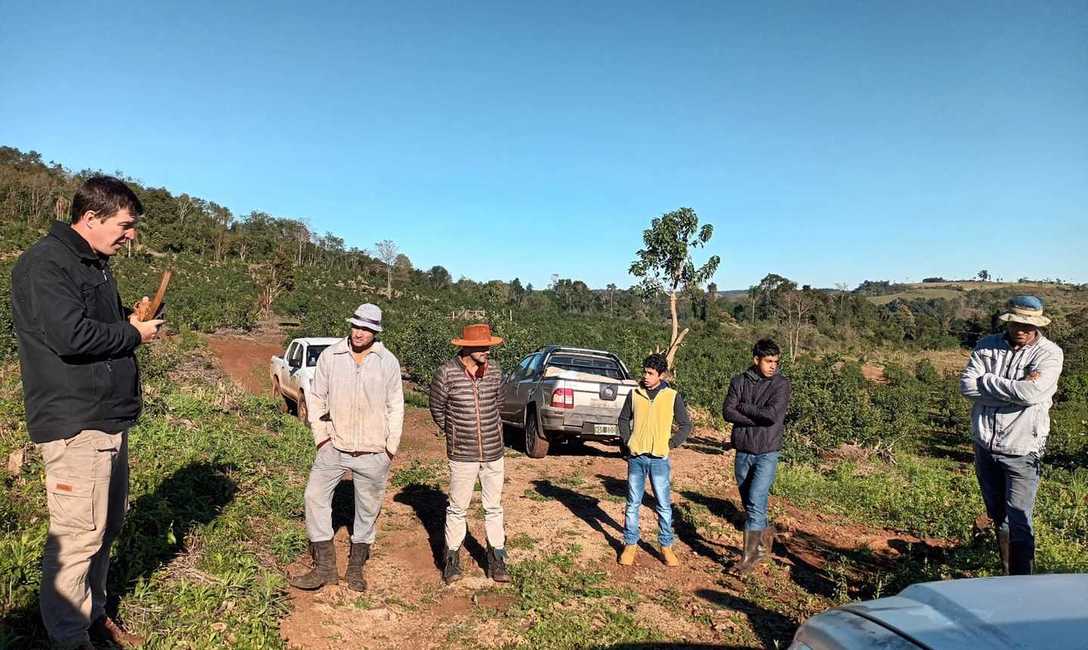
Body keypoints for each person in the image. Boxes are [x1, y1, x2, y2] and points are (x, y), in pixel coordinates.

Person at [11, 176, 163, 649]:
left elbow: (95, 327)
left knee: (106, 527)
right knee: (78, 538)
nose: (131, 234)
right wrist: (134, 336)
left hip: (106, 419)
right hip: (76, 422)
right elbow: (70, 337)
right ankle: (69, 638)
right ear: (91, 217)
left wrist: (128, 320)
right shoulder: (46, 265)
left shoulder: (93, 263)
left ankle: (92, 616)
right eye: (125, 224)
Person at [289, 304, 404, 592]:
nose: (359, 333)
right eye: (356, 326)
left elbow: (396, 407)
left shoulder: (387, 361)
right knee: (314, 496)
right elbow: (316, 399)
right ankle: (325, 568)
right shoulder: (331, 356)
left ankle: (355, 568)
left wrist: (390, 448)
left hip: (374, 450)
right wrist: (322, 438)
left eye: (366, 329)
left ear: (375, 332)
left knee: (367, 510)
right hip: (334, 446)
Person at [960, 295, 1063, 575]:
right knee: (997, 515)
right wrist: (1014, 392)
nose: (1021, 328)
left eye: (1028, 324)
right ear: (1009, 321)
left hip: (1023, 450)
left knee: (1018, 519)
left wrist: (988, 383)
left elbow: (1032, 393)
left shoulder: (1049, 353)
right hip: (984, 444)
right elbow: (968, 387)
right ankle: (1008, 577)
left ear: (1038, 324)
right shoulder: (986, 346)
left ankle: (1022, 582)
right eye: (1017, 322)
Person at [428, 323, 509, 584]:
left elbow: (499, 404)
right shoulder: (447, 373)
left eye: (488, 346)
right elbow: (437, 408)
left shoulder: (495, 371)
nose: (487, 351)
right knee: (457, 508)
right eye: (481, 347)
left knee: (493, 507)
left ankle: (497, 560)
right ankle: (451, 560)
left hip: (493, 451)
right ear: (467, 347)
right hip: (462, 453)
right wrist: (454, 432)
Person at [722, 338, 791, 574]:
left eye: (776, 362)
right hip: (743, 451)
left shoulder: (781, 384)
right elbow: (727, 411)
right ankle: (765, 539)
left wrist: (745, 407)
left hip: (767, 452)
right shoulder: (739, 381)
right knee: (752, 504)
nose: (773, 366)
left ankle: (748, 560)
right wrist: (755, 416)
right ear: (756, 359)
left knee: (754, 503)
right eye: (768, 361)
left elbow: (772, 416)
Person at [617, 353, 692, 567]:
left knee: (663, 505)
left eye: (650, 373)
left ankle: (666, 546)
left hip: (659, 459)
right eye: (645, 372)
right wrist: (627, 440)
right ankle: (630, 544)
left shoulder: (672, 396)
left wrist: (671, 443)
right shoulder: (634, 394)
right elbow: (623, 419)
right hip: (637, 457)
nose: (646, 376)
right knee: (632, 503)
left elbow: (685, 425)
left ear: (661, 375)